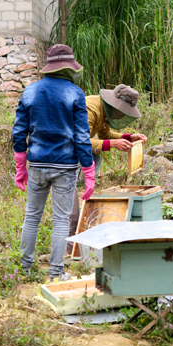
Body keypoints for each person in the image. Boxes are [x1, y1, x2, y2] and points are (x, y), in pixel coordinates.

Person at [12, 44, 95, 282]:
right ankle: (57, 273)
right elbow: (81, 136)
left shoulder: (30, 91)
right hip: (65, 167)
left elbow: (18, 132)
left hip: (36, 164)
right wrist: (89, 172)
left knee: (32, 216)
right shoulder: (75, 93)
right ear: (69, 68)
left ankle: (25, 270)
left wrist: (21, 168)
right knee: (61, 220)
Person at [67, 83, 147, 255]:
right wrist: (112, 144)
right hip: (62, 156)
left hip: (72, 154)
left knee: (72, 196)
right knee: (70, 204)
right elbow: (80, 140)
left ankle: (69, 247)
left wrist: (128, 137)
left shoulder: (103, 111)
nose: (121, 115)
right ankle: (68, 251)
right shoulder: (90, 109)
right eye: (122, 110)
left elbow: (104, 135)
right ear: (114, 104)